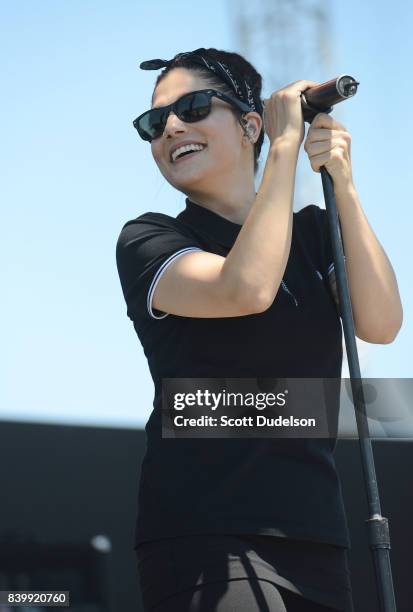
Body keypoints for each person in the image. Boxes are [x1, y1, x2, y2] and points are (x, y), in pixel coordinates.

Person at [116, 48, 403, 611]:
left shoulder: (316, 234)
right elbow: (244, 288)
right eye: (154, 123)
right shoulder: (148, 238)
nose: (172, 127)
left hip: (316, 533)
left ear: (250, 124)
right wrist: (286, 148)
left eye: (194, 107)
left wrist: (342, 182)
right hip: (206, 534)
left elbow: (382, 323)